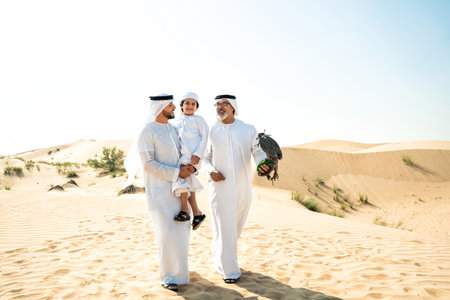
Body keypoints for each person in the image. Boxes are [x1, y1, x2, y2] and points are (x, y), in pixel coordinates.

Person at [203, 94, 272, 283]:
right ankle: (230, 272)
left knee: (233, 230)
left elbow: (257, 151)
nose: (220, 107)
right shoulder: (210, 130)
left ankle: (219, 259)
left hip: (243, 188)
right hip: (220, 187)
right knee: (225, 229)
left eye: (224, 104)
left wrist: (262, 163)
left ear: (233, 107)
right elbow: (204, 158)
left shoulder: (247, 129)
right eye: (217, 104)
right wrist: (211, 171)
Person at [137, 94, 194, 292]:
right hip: (159, 191)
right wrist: (176, 172)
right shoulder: (147, 132)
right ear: (161, 107)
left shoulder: (172, 129)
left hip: (178, 189)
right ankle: (169, 276)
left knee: (181, 231)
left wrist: (187, 168)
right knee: (167, 233)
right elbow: (147, 164)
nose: (174, 108)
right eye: (170, 105)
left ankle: (180, 274)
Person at [172, 92, 208, 230]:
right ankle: (196, 212)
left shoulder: (199, 120)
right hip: (181, 156)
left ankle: (185, 209)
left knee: (181, 179)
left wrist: (198, 154)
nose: (190, 106)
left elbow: (205, 137)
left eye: (193, 104)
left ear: (197, 107)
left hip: (193, 156)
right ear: (181, 105)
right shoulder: (177, 122)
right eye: (187, 103)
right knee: (187, 182)